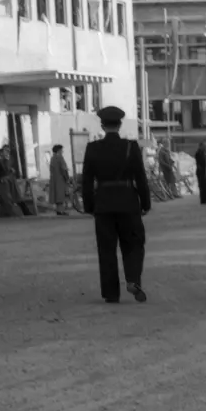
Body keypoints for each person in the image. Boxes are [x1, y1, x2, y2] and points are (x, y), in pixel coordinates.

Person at [81, 106, 151, 304]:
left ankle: (111, 293)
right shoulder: (131, 147)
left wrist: (89, 206)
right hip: (128, 202)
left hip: (103, 204)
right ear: (120, 125)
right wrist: (145, 203)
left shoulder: (93, 148)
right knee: (134, 244)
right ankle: (133, 279)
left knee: (106, 250)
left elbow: (86, 181)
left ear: (102, 126)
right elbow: (141, 178)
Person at [0, 146, 29, 217]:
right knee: (7, 198)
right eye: (5, 151)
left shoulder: (6, 161)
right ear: (1, 153)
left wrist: (11, 170)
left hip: (9, 182)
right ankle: (12, 214)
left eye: (8, 151)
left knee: (6, 198)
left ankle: (3, 214)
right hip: (3, 182)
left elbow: (8, 170)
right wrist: (0, 179)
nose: (7, 153)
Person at [49, 144, 72, 215]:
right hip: (60, 179)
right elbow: (63, 169)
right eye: (62, 150)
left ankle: (59, 210)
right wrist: (67, 178)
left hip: (54, 179)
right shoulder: (60, 158)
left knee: (57, 195)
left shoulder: (52, 158)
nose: (63, 151)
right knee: (61, 195)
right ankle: (60, 211)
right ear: (59, 150)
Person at [194, 140, 206, 205]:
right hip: (201, 171)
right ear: (201, 146)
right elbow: (202, 162)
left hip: (202, 170)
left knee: (205, 185)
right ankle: (203, 199)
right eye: (204, 146)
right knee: (202, 185)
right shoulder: (199, 153)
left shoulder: (202, 152)